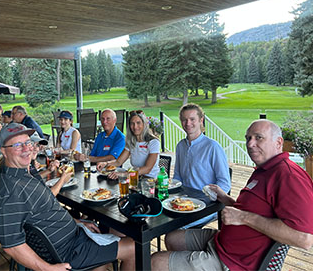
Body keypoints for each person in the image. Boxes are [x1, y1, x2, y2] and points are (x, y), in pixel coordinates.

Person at [151, 120, 313, 271]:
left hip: (235, 261)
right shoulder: (264, 169)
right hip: (222, 242)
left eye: (259, 138)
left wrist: (243, 218)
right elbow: (255, 209)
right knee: (172, 238)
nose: (250, 144)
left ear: (278, 143)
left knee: (154, 261)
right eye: (248, 138)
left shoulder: (288, 176)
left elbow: (304, 239)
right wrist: (225, 198)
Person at [0, 123, 135, 270]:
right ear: (3, 151)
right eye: (17, 145)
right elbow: (12, 245)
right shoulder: (9, 190)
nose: (26, 148)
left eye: (28, 142)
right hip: (68, 252)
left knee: (107, 239)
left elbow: (46, 210)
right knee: (133, 247)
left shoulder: (23, 174)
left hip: (74, 236)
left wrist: (77, 222)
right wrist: (48, 268)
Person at [173, 103, 231, 228]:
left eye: (192, 119)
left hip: (206, 206)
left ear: (201, 120)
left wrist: (210, 198)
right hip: (183, 201)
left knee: (176, 228)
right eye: (184, 120)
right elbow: (177, 176)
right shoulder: (180, 146)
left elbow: (225, 183)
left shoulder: (212, 147)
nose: (188, 123)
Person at [98, 110, 160, 179]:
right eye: (132, 123)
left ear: (144, 124)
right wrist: (106, 163)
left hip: (151, 181)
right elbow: (119, 161)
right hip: (136, 178)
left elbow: (147, 169)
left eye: (138, 123)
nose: (135, 127)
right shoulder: (131, 142)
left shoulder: (153, 142)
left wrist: (124, 174)